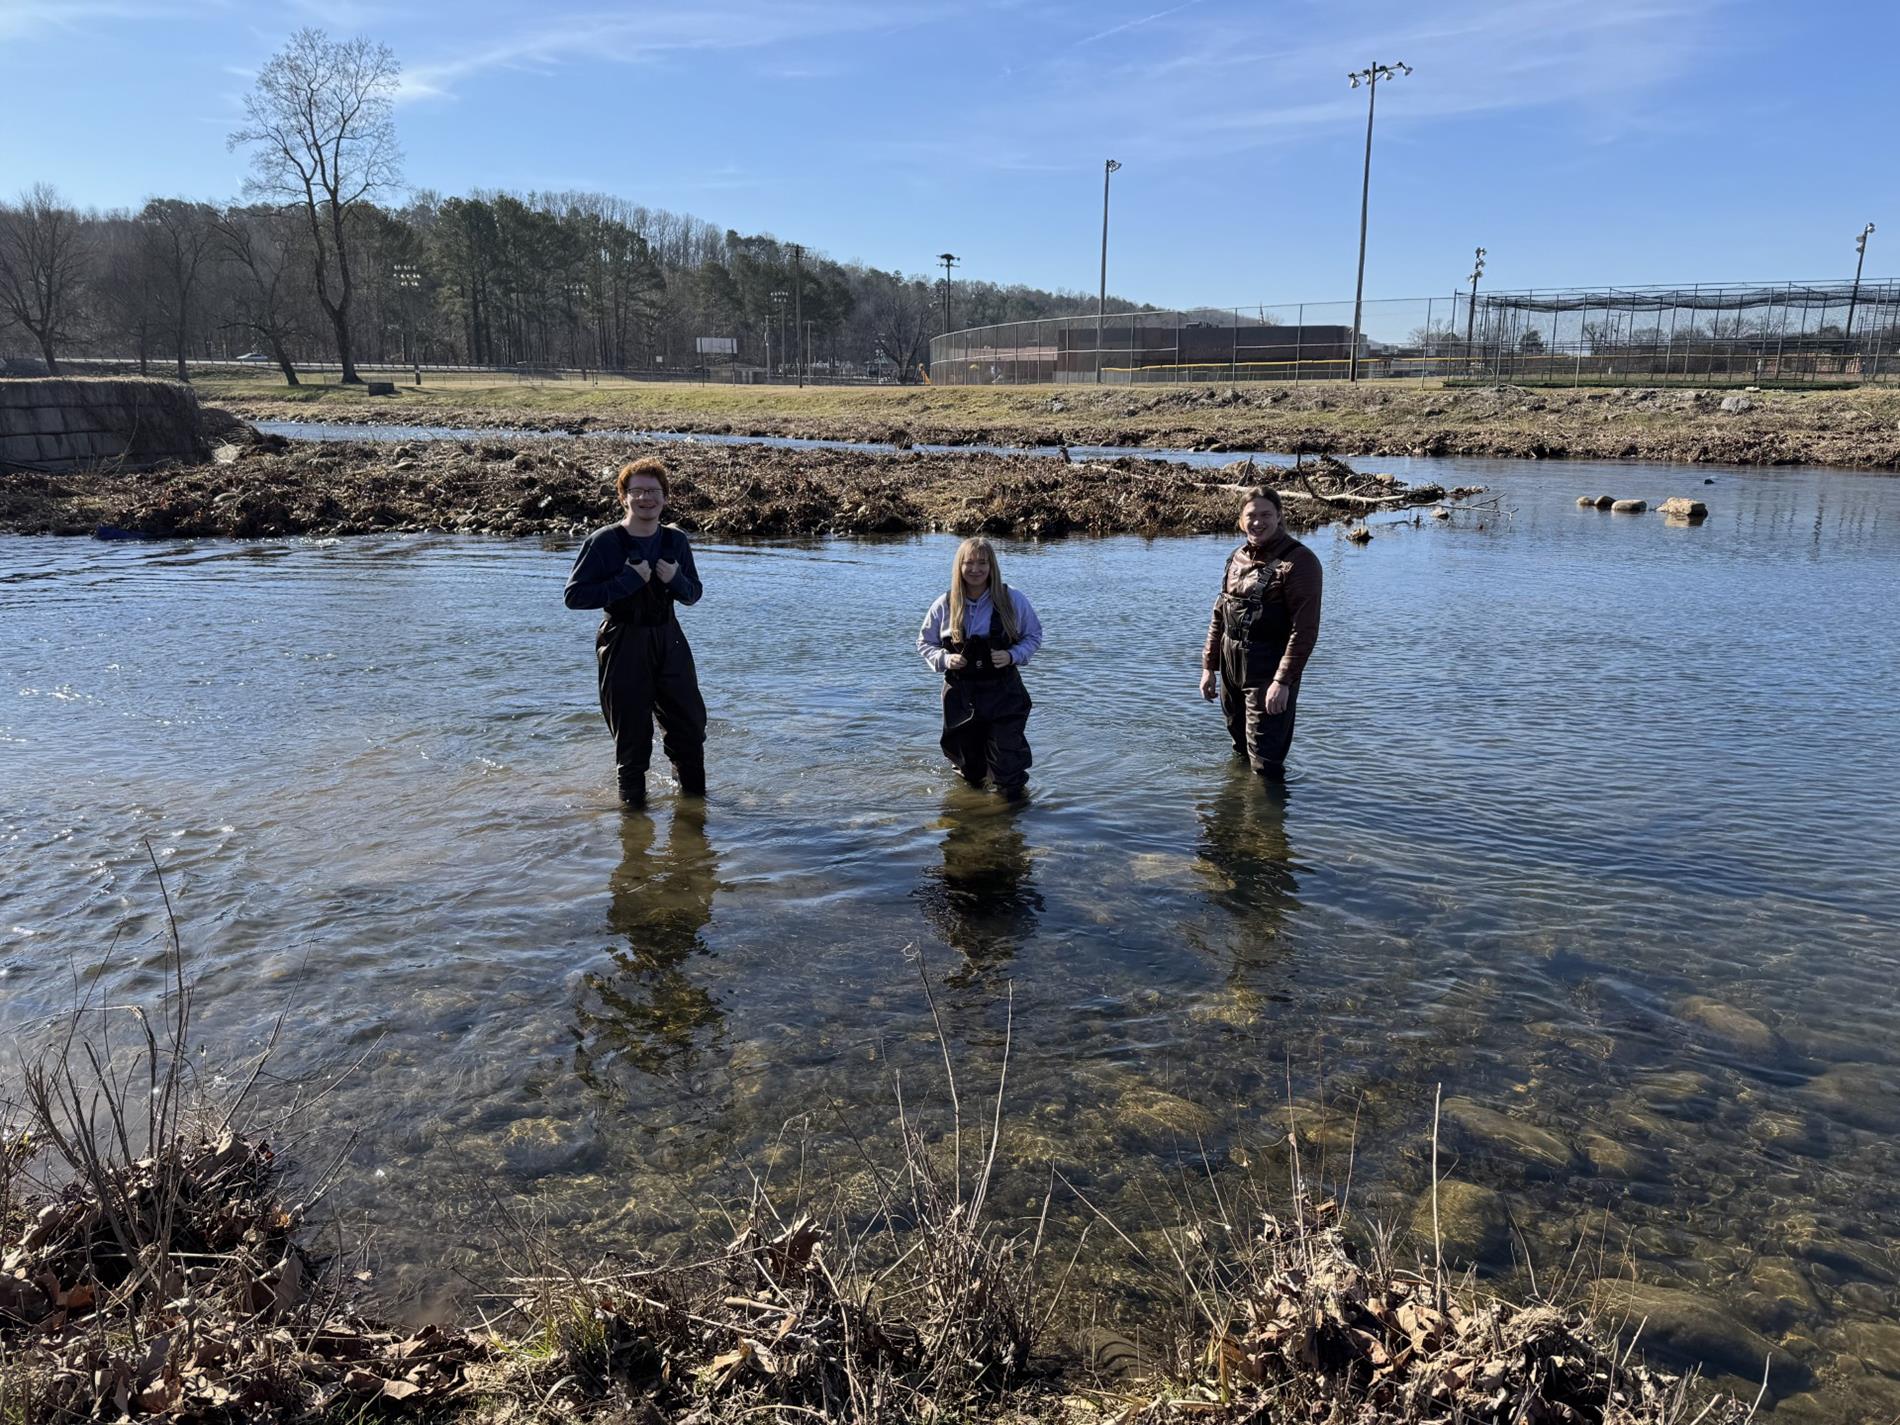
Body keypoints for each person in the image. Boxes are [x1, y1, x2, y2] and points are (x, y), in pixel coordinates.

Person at [564, 457, 706, 809]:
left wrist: (676, 580)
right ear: (623, 497)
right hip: (622, 642)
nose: (646, 498)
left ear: (665, 497)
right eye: (638, 491)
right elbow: (574, 597)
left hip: (670, 640)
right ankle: (634, 830)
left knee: (689, 731)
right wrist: (628, 581)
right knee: (632, 740)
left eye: (653, 492)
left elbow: (694, 594)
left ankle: (694, 817)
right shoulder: (603, 542)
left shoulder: (675, 541)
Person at [1199, 486, 1322, 777]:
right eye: (1251, 515)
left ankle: (1265, 819)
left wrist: (1283, 681)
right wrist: (1209, 667)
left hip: (1268, 667)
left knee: (1265, 760)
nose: (1258, 522)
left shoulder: (1300, 562)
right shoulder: (1236, 558)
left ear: (1279, 516)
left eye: (1266, 514)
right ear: (1241, 520)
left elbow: (1304, 630)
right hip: (1231, 664)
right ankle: (1233, 819)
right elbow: (1220, 614)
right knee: (1239, 747)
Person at [917, 537, 1043, 799]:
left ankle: (1012, 820)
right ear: (959, 567)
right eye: (969, 563)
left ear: (992, 566)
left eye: (982, 563)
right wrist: (944, 659)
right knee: (969, 770)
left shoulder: (1012, 599)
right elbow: (924, 643)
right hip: (961, 697)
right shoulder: (944, 603)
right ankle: (973, 820)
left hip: (1005, 695)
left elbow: (1033, 636)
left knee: (1009, 768)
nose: (976, 569)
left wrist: (1012, 655)